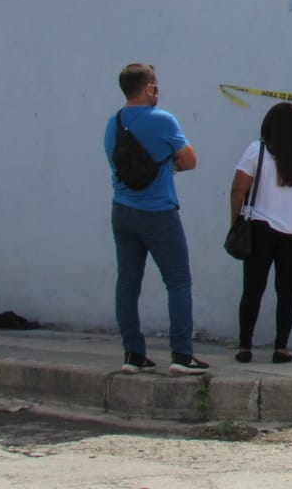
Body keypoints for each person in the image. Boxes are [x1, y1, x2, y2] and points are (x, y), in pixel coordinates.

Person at [104, 63, 207, 374]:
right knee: (178, 282)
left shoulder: (113, 123)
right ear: (148, 88)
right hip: (158, 211)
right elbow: (189, 160)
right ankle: (181, 354)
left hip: (122, 210)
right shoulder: (163, 120)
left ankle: (133, 354)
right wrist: (169, 164)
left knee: (128, 283)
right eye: (156, 86)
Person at [230, 103, 292, 364]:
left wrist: (236, 220)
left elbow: (238, 189)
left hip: (260, 227)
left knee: (252, 288)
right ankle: (281, 347)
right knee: (287, 291)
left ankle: (244, 345)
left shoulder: (257, 151)